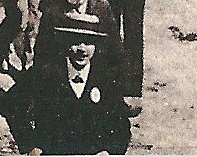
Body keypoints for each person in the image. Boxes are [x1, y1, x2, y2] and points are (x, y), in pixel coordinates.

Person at [25, 12, 131, 155]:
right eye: (75, 41)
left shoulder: (106, 79)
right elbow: (21, 110)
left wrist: (110, 152)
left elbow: (121, 125)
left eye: (88, 42)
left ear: (96, 45)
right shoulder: (47, 76)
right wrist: (32, 147)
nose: (82, 48)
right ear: (65, 43)